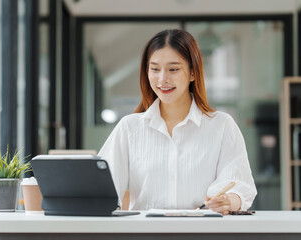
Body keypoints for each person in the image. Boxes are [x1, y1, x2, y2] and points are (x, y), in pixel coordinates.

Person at [98, 29, 257, 215]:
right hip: (145, 234)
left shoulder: (221, 125)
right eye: (155, 69)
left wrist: (229, 200)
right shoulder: (129, 127)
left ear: (192, 73)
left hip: (203, 232)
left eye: (173, 69)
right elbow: (100, 189)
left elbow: (241, 185)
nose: (163, 79)